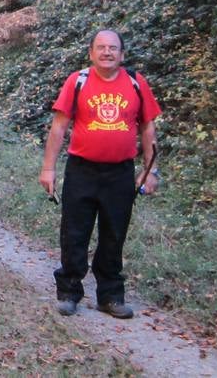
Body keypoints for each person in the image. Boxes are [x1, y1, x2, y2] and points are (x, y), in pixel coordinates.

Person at [38, 29, 161, 319]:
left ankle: (110, 296)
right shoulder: (78, 81)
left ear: (122, 54)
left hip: (120, 172)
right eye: (101, 47)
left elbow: (147, 129)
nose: (107, 52)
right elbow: (59, 127)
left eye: (113, 48)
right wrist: (48, 168)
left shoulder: (135, 83)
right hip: (82, 169)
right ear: (91, 53)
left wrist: (150, 170)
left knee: (114, 234)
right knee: (74, 232)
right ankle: (69, 291)